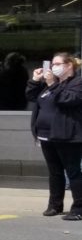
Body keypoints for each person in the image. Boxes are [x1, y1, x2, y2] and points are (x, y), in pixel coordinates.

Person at [26, 52, 82, 219]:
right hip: (47, 136)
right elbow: (31, 97)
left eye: (57, 64)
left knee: (73, 172)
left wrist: (52, 84)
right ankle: (55, 205)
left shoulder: (77, 83)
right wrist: (35, 81)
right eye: (52, 64)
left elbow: (68, 99)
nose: (53, 67)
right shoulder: (52, 84)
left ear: (69, 65)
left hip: (67, 136)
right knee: (55, 172)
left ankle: (78, 209)